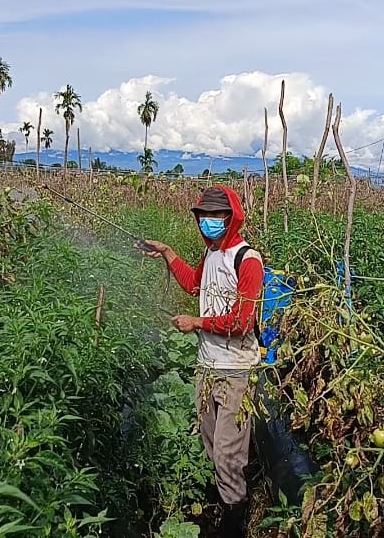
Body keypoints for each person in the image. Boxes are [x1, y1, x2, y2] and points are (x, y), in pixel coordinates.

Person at [138, 185, 264, 538]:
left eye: (216, 216)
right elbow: (195, 284)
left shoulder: (247, 260)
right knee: (212, 444)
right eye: (203, 216)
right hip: (207, 366)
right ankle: (228, 498)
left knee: (227, 452)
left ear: (231, 218)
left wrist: (197, 323)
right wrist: (167, 252)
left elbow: (242, 321)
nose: (208, 222)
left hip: (236, 370)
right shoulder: (211, 256)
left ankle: (234, 520)